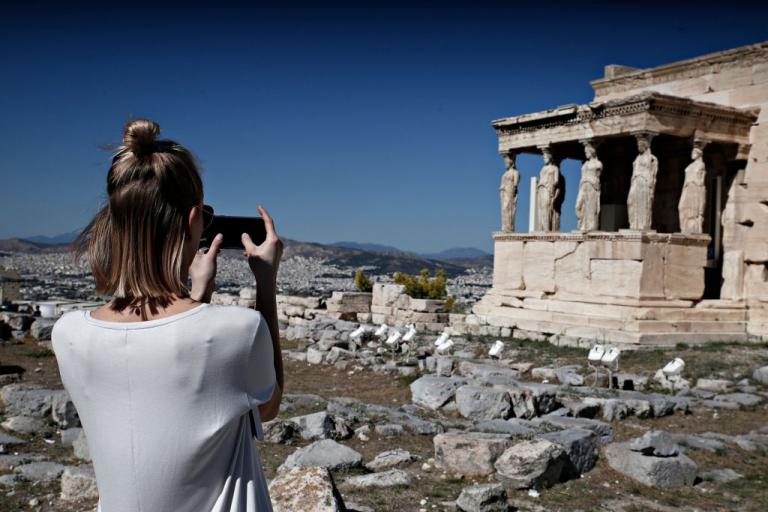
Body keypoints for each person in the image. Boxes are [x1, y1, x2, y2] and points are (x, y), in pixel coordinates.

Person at [51, 119, 284, 512]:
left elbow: (161, 368)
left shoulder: (67, 333)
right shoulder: (238, 331)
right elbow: (268, 404)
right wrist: (266, 283)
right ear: (194, 221)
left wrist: (197, 295)